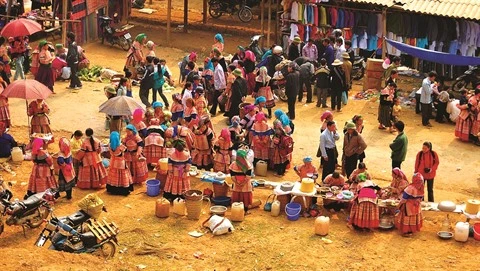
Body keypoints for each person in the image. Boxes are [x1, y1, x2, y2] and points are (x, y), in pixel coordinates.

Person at [106, 131, 133, 196]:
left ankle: (113, 189)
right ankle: (123, 189)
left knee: (113, 175)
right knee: (122, 175)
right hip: (120, 162)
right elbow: (127, 150)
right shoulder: (120, 146)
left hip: (113, 161)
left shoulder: (109, 145)